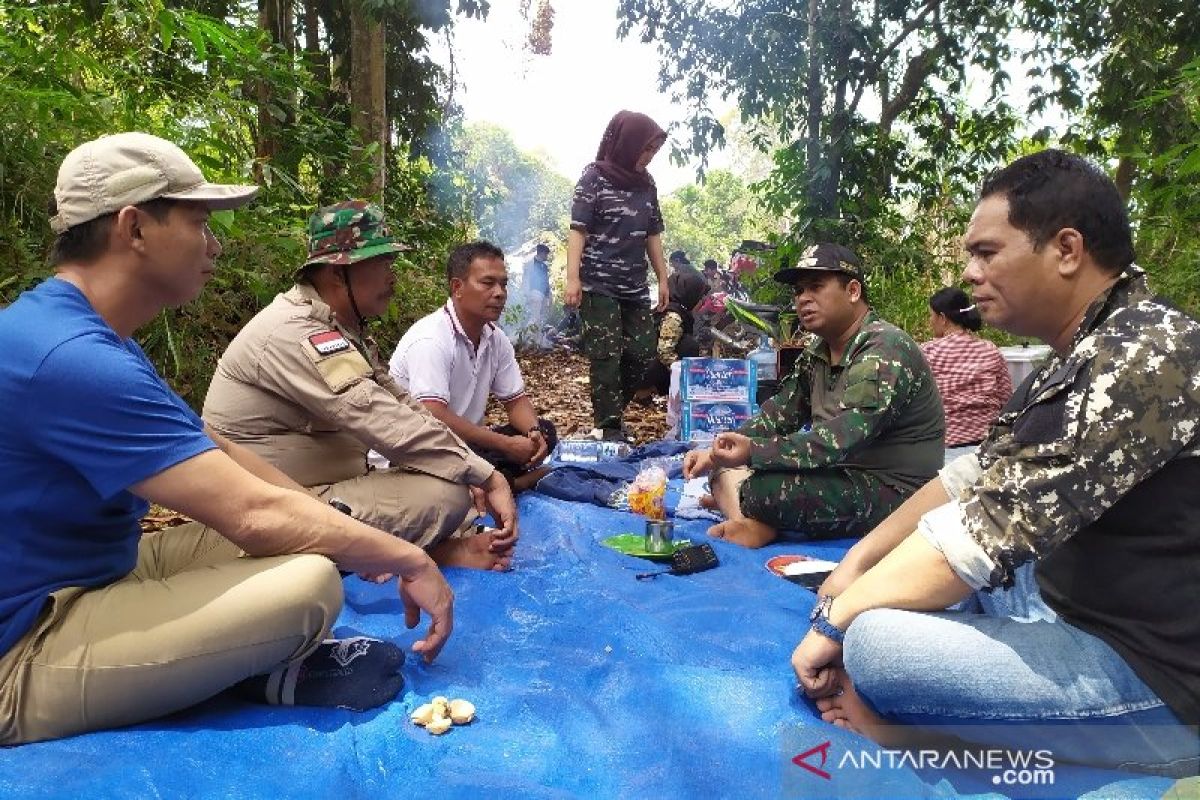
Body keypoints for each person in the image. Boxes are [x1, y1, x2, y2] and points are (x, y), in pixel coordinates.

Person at [0, 133, 454, 745]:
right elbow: (253, 514)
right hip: (25, 641)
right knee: (308, 584)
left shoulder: (89, 333)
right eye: (198, 221)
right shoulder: (72, 357)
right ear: (134, 229)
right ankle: (235, 672)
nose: (213, 244)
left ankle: (218, 660)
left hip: (103, 570)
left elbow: (223, 452)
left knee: (314, 540)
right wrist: (406, 555)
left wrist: (353, 536)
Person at [792, 150, 1200, 776]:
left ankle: (929, 742)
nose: (970, 273)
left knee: (878, 645)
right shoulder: (1080, 351)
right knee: (901, 592)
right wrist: (857, 563)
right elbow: (970, 477)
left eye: (986, 253)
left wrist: (837, 619)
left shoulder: (1143, 355)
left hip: (1156, 675)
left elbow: (981, 533)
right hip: (1071, 597)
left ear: (1066, 250)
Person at [203, 201, 517, 572]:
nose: (392, 277)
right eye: (382, 265)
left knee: (450, 477)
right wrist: (484, 473)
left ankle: (413, 551)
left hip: (315, 489)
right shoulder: (298, 332)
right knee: (445, 496)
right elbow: (378, 416)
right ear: (338, 274)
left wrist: (467, 464)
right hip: (261, 510)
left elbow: (401, 403)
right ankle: (425, 554)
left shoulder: (337, 328)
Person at [682, 243, 945, 548]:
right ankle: (748, 518)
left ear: (853, 291)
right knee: (725, 467)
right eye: (799, 291)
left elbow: (840, 439)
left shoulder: (884, 348)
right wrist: (718, 450)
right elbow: (779, 413)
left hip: (896, 489)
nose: (803, 298)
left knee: (762, 489)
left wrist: (753, 452)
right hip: (841, 474)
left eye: (816, 287)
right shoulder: (817, 353)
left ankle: (747, 512)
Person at [388, 241, 558, 493]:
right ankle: (508, 482)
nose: (499, 293)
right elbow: (433, 416)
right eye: (488, 283)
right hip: (419, 448)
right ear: (457, 287)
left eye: (504, 284)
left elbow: (515, 401)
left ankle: (490, 480)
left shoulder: (495, 338)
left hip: (466, 444)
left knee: (546, 431)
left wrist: (533, 433)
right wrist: (505, 444)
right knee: (444, 470)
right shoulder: (430, 339)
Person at [565, 110, 670, 442]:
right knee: (606, 357)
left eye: (654, 151)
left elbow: (652, 234)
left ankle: (609, 415)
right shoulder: (593, 177)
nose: (649, 157)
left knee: (643, 354)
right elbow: (578, 231)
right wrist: (572, 278)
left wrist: (663, 279)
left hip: (635, 287)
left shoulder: (648, 184)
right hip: (598, 284)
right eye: (645, 149)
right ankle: (608, 425)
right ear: (628, 144)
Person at [920, 287, 1012, 449]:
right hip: (987, 446)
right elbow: (1007, 400)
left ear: (942, 318)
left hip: (945, 446)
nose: (929, 321)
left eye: (931, 315)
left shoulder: (928, 352)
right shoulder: (990, 350)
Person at [636, 267, 711, 397]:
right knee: (689, 346)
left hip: (644, 364)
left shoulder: (670, 309)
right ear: (690, 295)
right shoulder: (673, 316)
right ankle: (647, 390)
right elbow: (664, 352)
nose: (701, 302)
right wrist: (685, 373)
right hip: (645, 369)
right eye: (699, 297)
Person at [522, 242, 552, 348]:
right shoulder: (530, 264)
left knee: (541, 318)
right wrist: (527, 294)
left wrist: (549, 296)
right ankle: (528, 339)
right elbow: (526, 279)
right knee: (534, 317)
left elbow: (546, 282)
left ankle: (537, 340)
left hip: (543, 295)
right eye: (546, 254)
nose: (546, 256)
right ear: (541, 253)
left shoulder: (544, 266)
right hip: (534, 293)